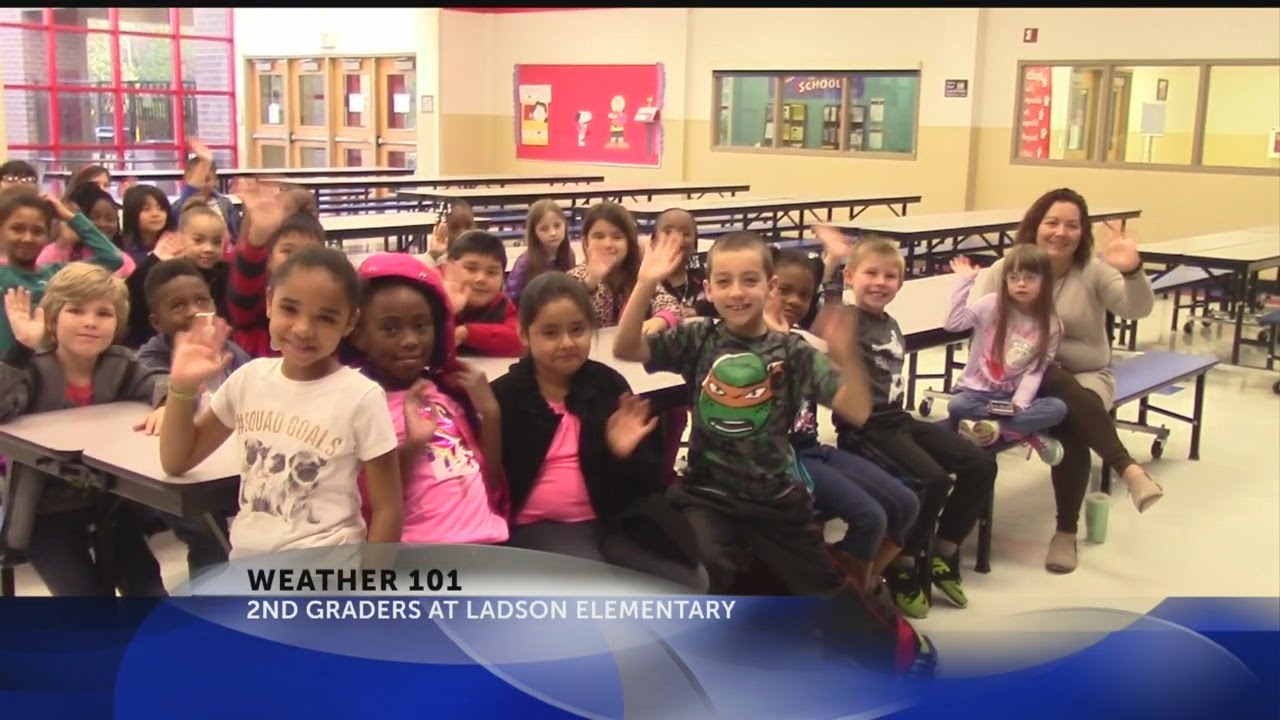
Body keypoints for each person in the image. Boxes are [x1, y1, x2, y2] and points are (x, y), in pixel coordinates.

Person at [613, 230, 936, 675]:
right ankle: (703, 655)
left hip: (775, 498)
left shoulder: (792, 352)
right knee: (705, 566)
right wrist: (647, 281)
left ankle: (897, 649)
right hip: (708, 492)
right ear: (708, 289)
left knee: (823, 586)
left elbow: (858, 409)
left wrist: (845, 351)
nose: (736, 291)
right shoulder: (698, 339)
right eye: (723, 281)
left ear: (769, 286)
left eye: (749, 280)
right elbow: (625, 347)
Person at [159, 247, 403, 559]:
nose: (303, 329)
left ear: (350, 322)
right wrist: (181, 387)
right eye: (290, 309)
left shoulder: (361, 397)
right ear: (269, 301)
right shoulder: (248, 380)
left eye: (326, 318)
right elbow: (178, 460)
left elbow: (388, 508)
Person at [972, 187, 1162, 574]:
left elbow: (1137, 308)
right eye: (1052, 222)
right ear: (1035, 226)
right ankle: (1128, 469)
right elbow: (975, 322)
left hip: (1088, 374)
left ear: (1083, 232)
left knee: (1071, 412)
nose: (1061, 232)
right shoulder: (1006, 267)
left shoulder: (1092, 270)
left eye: (1072, 225)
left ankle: (1066, 532)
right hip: (1019, 376)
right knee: (1059, 390)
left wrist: (1131, 269)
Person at [822, 231, 997, 619]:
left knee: (980, 464)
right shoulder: (849, 318)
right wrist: (832, 263)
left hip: (897, 420)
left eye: (889, 276)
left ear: (900, 283)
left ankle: (944, 551)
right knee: (931, 481)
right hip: (866, 428)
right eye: (871, 273)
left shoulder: (891, 323)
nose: (880, 283)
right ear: (852, 277)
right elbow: (827, 310)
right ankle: (903, 563)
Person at [492, 271, 706, 590]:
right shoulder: (506, 396)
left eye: (577, 330)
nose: (566, 343)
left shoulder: (607, 385)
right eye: (550, 333)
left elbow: (646, 482)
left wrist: (622, 454)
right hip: (543, 525)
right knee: (596, 593)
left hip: (611, 518)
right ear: (524, 334)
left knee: (692, 580)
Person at [0, 264, 167, 596]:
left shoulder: (122, 364)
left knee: (148, 588)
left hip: (113, 501)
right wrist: (20, 349)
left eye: (104, 313)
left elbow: (163, 382)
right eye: (76, 310)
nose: (90, 322)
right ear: (51, 319)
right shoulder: (33, 366)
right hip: (45, 509)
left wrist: (169, 406)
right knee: (85, 598)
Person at [768, 249, 920, 593]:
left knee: (907, 504)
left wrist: (844, 350)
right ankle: (848, 602)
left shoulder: (802, 343)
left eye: (804, 295)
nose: (794, 300)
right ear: (765, 286)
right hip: (780, 456)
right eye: (783, 290)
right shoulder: (746, 343)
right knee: (871, 518)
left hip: (810, 447)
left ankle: (858, 586)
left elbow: (856, 409)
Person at [347, 253, 508, 545]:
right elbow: (368, 503)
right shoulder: (359, 403)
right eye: (390, 328)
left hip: (488, 545)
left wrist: (490, 411)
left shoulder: (445, 391)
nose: (410, 340)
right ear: (359, 335)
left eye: (421, 326)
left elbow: (491, 481)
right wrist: (414, 445)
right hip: (424, 558)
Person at [944, 249, 1068, 464]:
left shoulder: (1052, 324)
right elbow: (952, 324)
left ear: (1045, 282)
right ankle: (1024, 431)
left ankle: (994, 429)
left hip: (1010, 398)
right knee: (957, 405)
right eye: (1014, 278)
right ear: (1006, 281)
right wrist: (964, 283)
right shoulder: (992, 304)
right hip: (975, 394)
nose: (1021, 284)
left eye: (1030, 278)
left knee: (1058, 408)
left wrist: (1019, 404)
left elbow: (1035, 370)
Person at [0, 187, 127, 354]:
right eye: (17, 229)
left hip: (52, 369)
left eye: (37, 231)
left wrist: (71, 218)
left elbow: (112, 259)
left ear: (48, 236)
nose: (27, 238)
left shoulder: (58, 275)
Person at [227, 182, 326, 357]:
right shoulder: (257, 288)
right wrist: (256, 240)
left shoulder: (327, 291)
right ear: (269, 258)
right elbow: (244, 292)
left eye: (309, 251)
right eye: (288, 250)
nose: (298, 258)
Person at [126, 204, 229, 349]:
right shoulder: (165, 273)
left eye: (216, 242)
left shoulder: (225, 274)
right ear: (180, 238)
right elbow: (130, 298)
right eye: (198, 240)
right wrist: (154, 259)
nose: (208, 249)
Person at [567, 201, 681, 333]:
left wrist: (660, 320)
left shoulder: (640, 275)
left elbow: (670, 304)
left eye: (617, 237)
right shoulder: (574, 278)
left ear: (629, 242)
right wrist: (590, 283)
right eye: (599, 236)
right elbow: (564, 313)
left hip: (627, 350)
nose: (608, 244)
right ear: (586, 242)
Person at [440, 230, 522, 357]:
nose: (481, 279)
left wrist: (467, 333)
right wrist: (449, 309)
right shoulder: (430, 297)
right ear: (449, 268)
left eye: (492, 272)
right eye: (471, 269)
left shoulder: (503, 306)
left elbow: (520, 339)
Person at [36, 182, 136, 280]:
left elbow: (114, 258)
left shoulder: (125, 261)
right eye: (94, 217)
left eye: (110, 219)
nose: (102, 224)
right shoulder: (53, 255)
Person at [504, 199, 573, 303]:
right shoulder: (525, 262)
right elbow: (511, 299)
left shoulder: (569, 254)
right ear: (534, 232)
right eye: (544, 229)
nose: (553, 233)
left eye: (557, 225)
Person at [170, 139, 240, 238]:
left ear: (215, 180)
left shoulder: (225, 203)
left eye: (207, 179)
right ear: (186, 179)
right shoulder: (178, 206)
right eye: (196, 179)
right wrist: (205, 162)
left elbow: (235, 233)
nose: (201, 184)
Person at [119, 185, 175, 265]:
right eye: (146, 209)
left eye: (161, 208)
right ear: (131, 213)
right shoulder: (122, 251)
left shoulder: (174, 244)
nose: (155, 214)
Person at [416, 200, 476, 269]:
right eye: (455, 229)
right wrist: (433, 255)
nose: (464, 233)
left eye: (468, 226)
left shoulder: (484, 257)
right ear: (440, 230)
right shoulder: (438, 263)